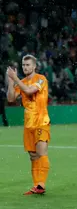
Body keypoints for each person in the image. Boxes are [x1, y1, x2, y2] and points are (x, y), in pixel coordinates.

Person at [7, 55, 51, 195]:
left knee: (41, 152)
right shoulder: (22, 81)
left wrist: (15, 79)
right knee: (33, 156)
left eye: (27, 65)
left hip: (41, 121)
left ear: (34, 66)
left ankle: (41, 184)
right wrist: (10, 81)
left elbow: (29, 91)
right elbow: (10, 98)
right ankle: (36, 186)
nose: (25, 67)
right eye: (23, 65)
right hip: (28, 124)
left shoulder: (41, 78)